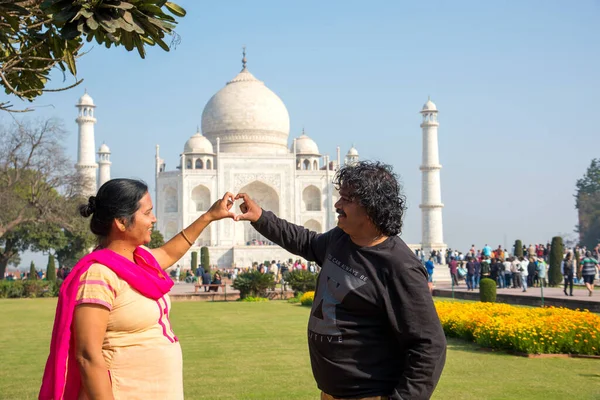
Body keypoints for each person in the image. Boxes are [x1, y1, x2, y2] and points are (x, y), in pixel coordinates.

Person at [235, 161, 446, 400]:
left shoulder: (398, 266)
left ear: (370, 207)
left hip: (370, 394)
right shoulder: (341, 239)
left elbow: (429, 345)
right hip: (331, 393)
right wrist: (260, 217)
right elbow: (304, 241)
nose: (337, 204)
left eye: (347, 199)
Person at [39, 179, 236, 400]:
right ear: (122, 222)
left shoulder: (140, 260)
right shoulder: (100, 274)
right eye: (147, 213)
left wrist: (208, 216)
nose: (154, 219)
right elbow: (87, 355)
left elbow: (170, 253)